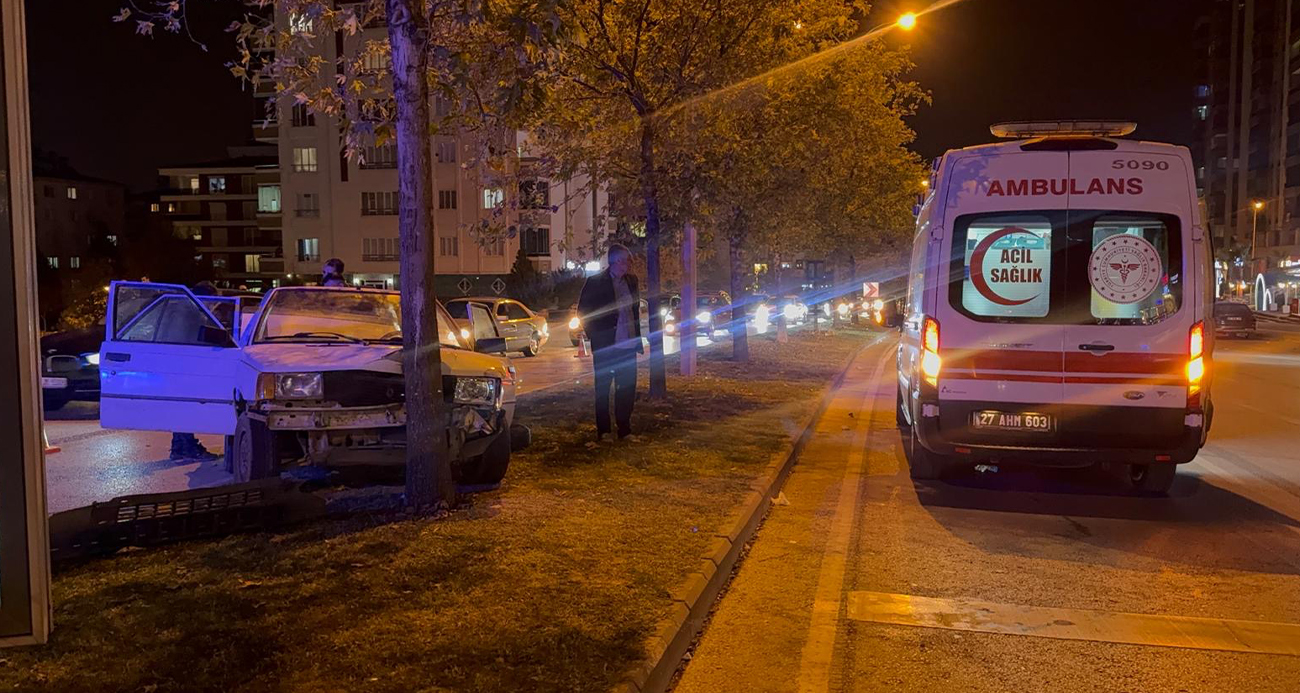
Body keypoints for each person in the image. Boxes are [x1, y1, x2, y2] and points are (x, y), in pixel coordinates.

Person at [578, 244, 643, 441]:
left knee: (627, 387)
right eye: (623, 261)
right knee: (603, 388)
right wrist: (595, 336)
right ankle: (604, 430)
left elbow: (634, 310)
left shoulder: (631, 281)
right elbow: (584, 312)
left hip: (628, 343)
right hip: (607, 345)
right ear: (613, 262)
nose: (627, 265)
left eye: (628, 261)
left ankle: (625, 429)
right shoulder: (596, 282)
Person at [170, 280, 220, 462]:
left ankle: (179, 447)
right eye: (212, 301)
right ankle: (187, 448)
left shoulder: (180, 310)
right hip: (186, 367)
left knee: (181, 408)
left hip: (177, 366)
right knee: (187, 408)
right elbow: (197, 340)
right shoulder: (194, 315)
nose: (213, 306)